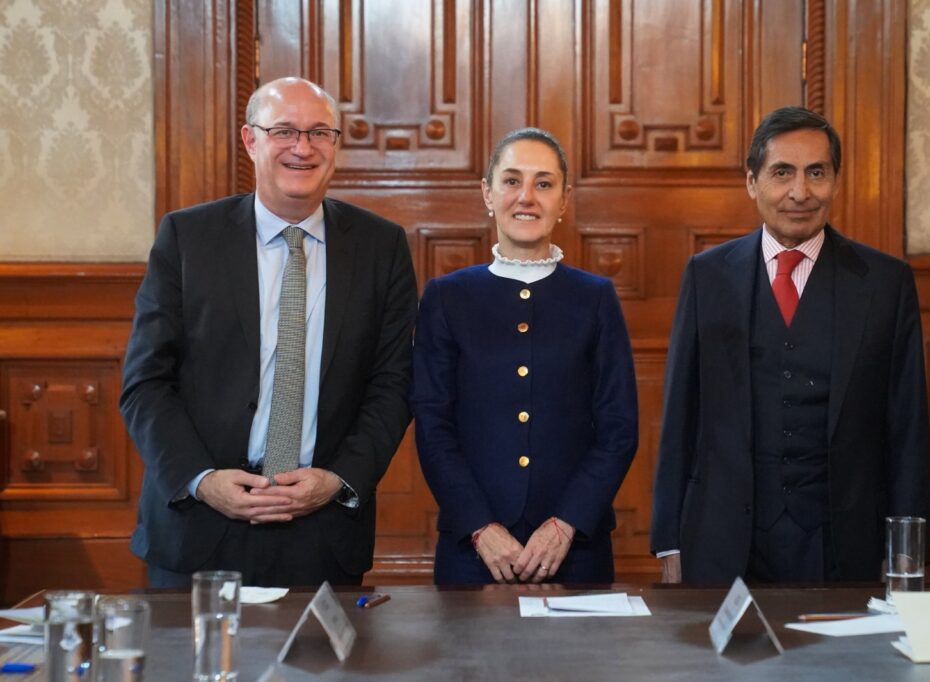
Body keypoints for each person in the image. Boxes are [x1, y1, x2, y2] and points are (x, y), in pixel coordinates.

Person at [120, 77, 418, 587]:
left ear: (335, 145)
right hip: (199, 527)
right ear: (250, 140)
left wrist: (338, 480)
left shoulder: (381, 247)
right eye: (283, 131)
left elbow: (393, 385)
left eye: (319, 132)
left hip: (321, 531)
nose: (303, 148)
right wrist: (202, 481)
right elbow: (146, 382)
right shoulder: (187, 238)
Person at [650, 106, 930, 584]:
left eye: (816, 173)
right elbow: (680, 414)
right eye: (782, 172)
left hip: (845, 543)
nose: (800, 192)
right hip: (724, 542)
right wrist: (668, 540)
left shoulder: (887, 283)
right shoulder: (706, 276)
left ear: (836, 181)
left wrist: (907, 550)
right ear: (752, 182)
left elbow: (908, 428)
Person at [411, 128, 638, 584]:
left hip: (575, 549)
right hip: (472, 549)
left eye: (544, 183)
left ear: (564, 199)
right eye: (512, 181)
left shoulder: (596, 298)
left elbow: (619, 428)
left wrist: (565, 524)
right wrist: (480, 527)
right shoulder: (447, 297)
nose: (526, 197)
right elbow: (433, 426)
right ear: (488, 193)